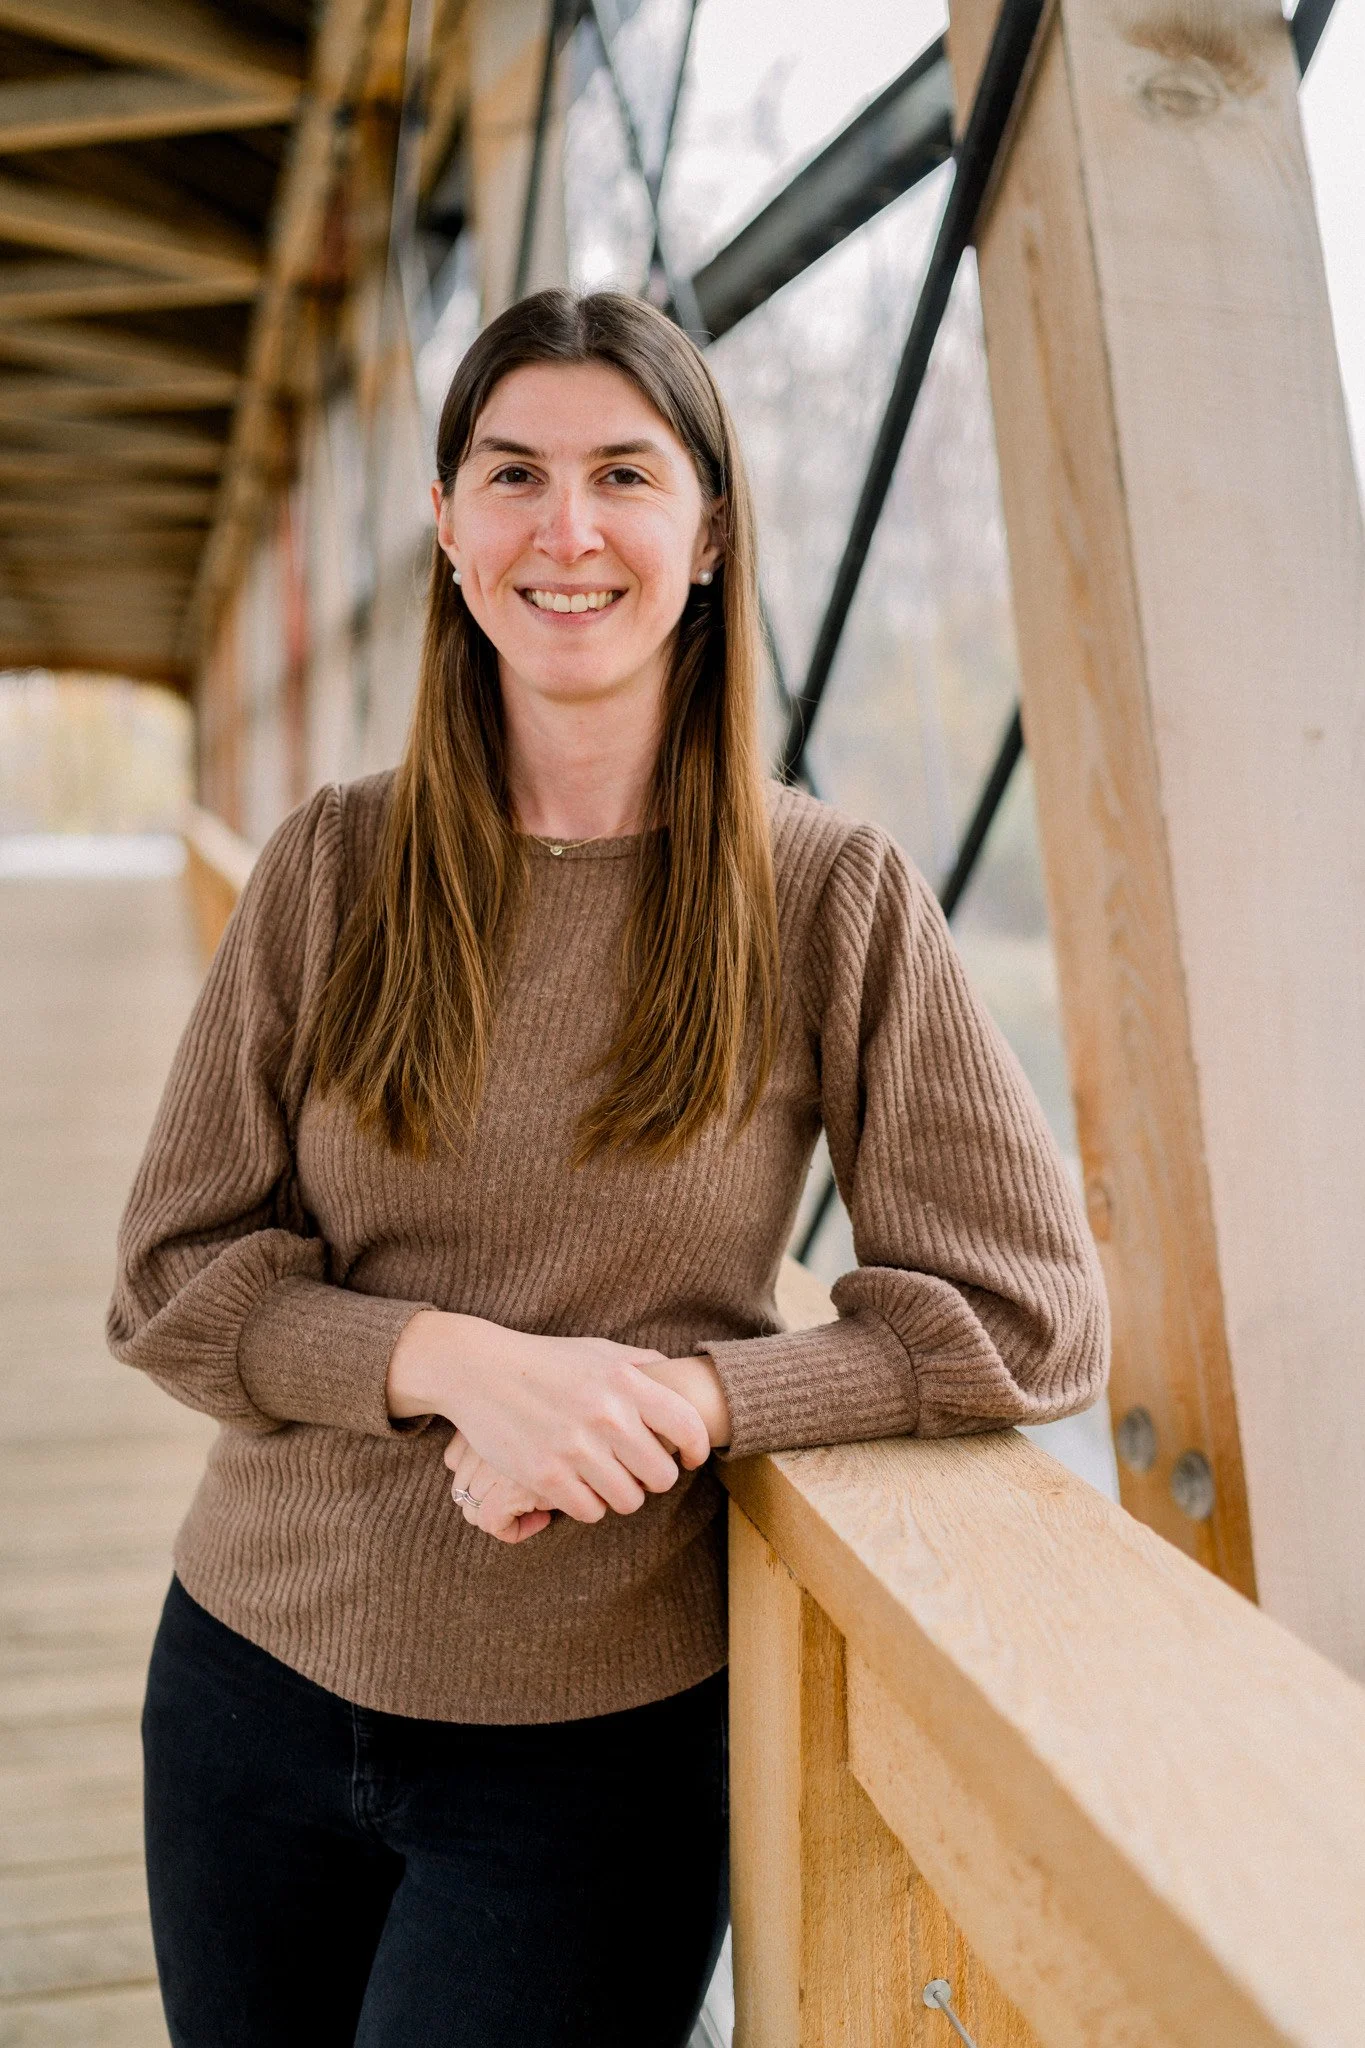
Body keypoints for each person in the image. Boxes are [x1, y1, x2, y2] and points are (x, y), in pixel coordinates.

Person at [107, 287, 1108, 2048]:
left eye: (624, 476)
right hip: (246, 1682)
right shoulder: (334, 868)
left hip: (591, 1760)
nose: (566, 531)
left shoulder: (826, 894)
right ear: (445, 528)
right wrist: (452, 1365)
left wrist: (698, 1404)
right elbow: (170, 1281)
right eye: (512, 475)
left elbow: (1028, 1323)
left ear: (708, 531)